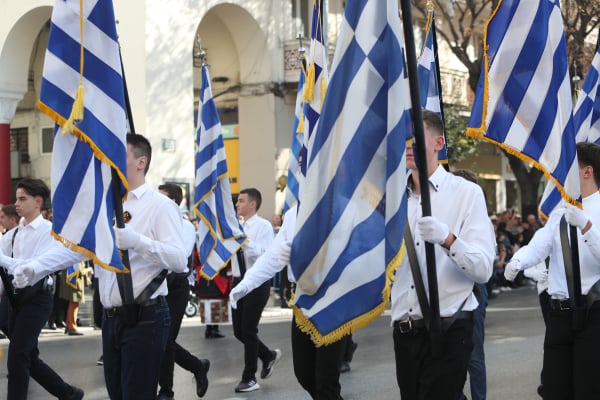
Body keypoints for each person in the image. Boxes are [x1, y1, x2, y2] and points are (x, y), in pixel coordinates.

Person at [11, 133, 188, 399]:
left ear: (141, 162)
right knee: (117, 394)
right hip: (112, 318)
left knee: (136, 395)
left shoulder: (159, 206)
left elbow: (179, 260)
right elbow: (76, 248)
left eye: (121, 154)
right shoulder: (106, 204)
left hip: (145, 316)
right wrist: (36, 267)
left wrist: (137, 241)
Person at [390, 111, 495, 399]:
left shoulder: (466, 193)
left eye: (415, 138)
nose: (408, 145)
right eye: (404, 139)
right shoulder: (391, 199)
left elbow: (484, 268)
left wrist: (448, 239)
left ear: (438, 143)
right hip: (405, 329)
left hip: (450, 326)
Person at [504, 142, 600, 399]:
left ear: (587, 172)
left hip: (594, 314)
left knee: (588, 390)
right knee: (555, 389)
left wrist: (587, 227)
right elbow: (540, 244)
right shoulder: (561, 212)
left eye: (569, 166)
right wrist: (519, 261)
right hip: (560, 314)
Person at [231, 200, 351, 399]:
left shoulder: (340, 202)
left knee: (326, 381)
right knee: (304, 374)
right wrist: (245, 284)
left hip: (333, 299)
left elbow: (350, 248)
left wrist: (304, 252)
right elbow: (274, 255)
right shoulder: (294, 213)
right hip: (303, 300)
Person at [0, 178, 84, 400]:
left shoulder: (50, 231)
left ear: (38, 202)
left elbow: (33, 266)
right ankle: (68, 394)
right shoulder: (14, 233)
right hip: (12, 298)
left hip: (36, 298)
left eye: (22, 199)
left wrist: (5, 261)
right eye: (16, 198)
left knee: (18, 355)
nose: (16, 204)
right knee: (27, 355)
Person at [157, 182, 210, 399]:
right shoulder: (155, 222)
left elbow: (177, 257)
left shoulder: (185, 226)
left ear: (173, 202)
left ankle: (167, 391)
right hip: (156, 283)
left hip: (176, 285)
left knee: (166, 339)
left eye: (161, 197)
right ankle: (197, 366)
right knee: (159, 338)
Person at [231, 187, 280, 393]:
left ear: (252, 204)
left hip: (256, 281)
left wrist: (244, 242)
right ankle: (267, 355)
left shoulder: (263, 226)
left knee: (249, 330)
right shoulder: (235, 226)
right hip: (238, 281)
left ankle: (249, 376)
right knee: (239, 331)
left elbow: (265, 254)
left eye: (241, 201)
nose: (237, 204)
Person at [452, 169, 489, 400]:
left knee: (474, 355)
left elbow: (482, 263)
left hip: (473, 287)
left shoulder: (479, 221)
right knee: (449, 353)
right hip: (448, 289)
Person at [0, 204, 19, 339]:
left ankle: (24, 349)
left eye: (2, 217)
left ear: (12, 219)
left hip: (15, 282)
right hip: (11, 281)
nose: (0, 220)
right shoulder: (8, 236)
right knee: (6, 321)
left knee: (10, 320)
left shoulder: (11, 236)